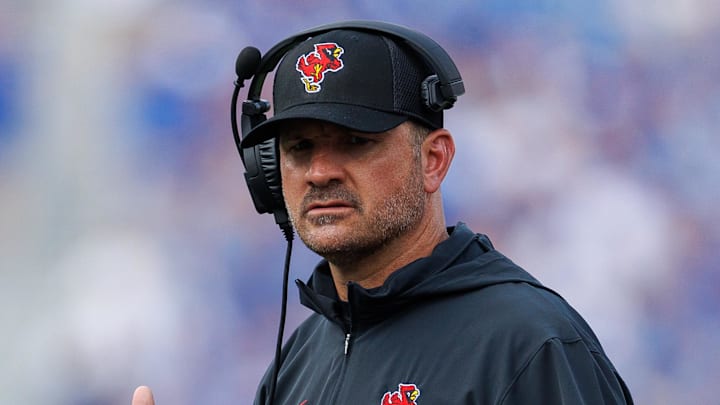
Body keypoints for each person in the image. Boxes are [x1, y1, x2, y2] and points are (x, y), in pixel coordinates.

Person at [133, 22, 634, 404]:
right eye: (300, 148)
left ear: (433, 159)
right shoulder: (297, 364)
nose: (320, 171)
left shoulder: (528, 345)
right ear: (269, 174)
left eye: (355, 142)